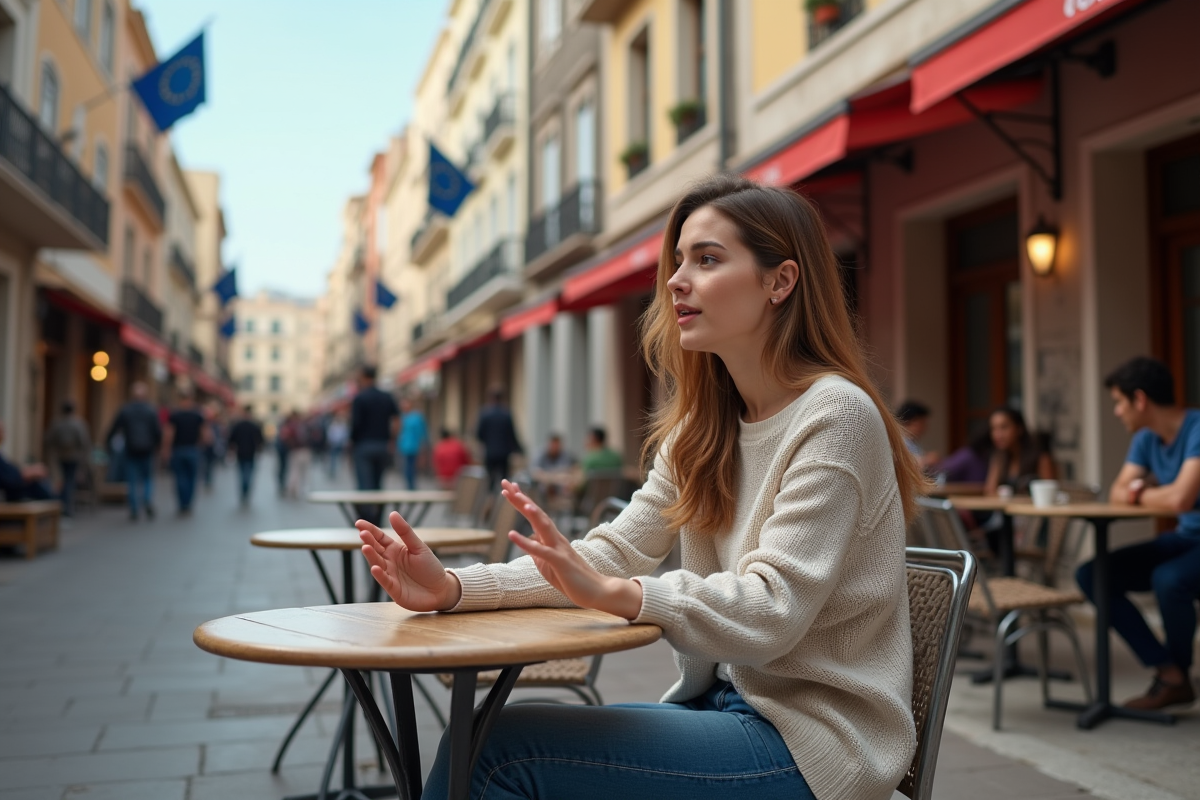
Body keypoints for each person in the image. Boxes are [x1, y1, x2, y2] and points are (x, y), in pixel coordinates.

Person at [356, 175, 925, 800]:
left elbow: (770, 611)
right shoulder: (702, 428)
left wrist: (622, 594)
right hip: (725, 712)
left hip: (818, 745)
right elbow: (609, 554)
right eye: (678, 261)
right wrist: (455, 587)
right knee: (485, 739)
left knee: (497, 753)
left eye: (707, 259)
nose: (677, 280)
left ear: (779, 281)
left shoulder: (835, 416)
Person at [1076, 356, 1200, 711]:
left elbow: (1180, 498)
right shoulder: (1147, 439)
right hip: (1186, 537)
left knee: (1169, 579)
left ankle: (1177, 680)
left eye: (1119, 401)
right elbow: (1117, 493)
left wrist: (1142, 490)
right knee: (1092, 574)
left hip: (1191, 540)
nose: (1117, 411)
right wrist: (1148, 491)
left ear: (1140, 399)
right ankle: (1171, 673)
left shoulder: (1196, 429)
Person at [350, 365, 399, 523]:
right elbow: (397, 421)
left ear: (364, 377)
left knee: (365, 488)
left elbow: (355, 425)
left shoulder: (360, 398)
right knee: (378, 486)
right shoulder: (387, 396)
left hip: (364, 446)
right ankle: (378, 521)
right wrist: (392, 440)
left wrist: (352, 441)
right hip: (382, 445)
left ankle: (366, 524)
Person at [106, 382, 162, 521]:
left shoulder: (126, 409)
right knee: (147, 478)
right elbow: (157, 431)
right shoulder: (150, 410)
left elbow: (114, 428)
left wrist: (107, 443)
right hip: (147, 449)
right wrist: (157, 446)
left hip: (131, 449)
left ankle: (134, 508)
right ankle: (146, 499)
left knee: (132, 479)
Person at [983, 407, 1056, 497]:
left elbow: (1050, 492)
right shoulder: (999, 457)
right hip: (1004, 510)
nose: (998, 435)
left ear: (1019, 428)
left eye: (1004, 427)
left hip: (1030, 510)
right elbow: (989, 492)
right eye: (993, 429)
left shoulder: (1039, 456)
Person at [43, 401, 92, 517]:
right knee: (70, 480)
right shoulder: (78, 424)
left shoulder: (57, 423)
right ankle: (68, 507)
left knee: (66, 479)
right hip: (74, 456)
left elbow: (48, 439)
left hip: (61, 456)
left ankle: (65, 505)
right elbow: (84, 442)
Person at [164, 390, 207, 516]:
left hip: (179, 450)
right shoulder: (197, 416)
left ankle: (182, 503)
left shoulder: (175, 415)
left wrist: (166, 450)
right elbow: (205, 435)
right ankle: (188, 503)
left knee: (180, 478)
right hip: (193, 450)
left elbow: (168, 434)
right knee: (192, 478)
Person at [475, 386, 522, 489]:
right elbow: (512, 434)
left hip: (490, 453)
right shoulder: (506, 414)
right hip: (504, 453)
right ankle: (503, 501)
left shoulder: (485, 414)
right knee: (504, 480)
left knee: (490, 482)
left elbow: (479, 434)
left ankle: (490, 501)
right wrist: (519, 449)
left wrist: (487, 443)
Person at [0, 421, 53, 501]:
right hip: (13, 492)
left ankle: (56, 499)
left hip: (16, 488)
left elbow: (10, 471)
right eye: (3, 431)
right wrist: (27, 473)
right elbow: (8, 479)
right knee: (37, 486)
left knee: (40, 484)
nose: (5, 434)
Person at [227, 405, 265, 505]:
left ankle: (244, 490)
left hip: (241, 453)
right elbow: (261, 441)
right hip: (250, 453)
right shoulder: (255, 425)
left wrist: (231, 450)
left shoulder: (238, 425)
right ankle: (246, 489)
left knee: (242, 473)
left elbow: (231, 440)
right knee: (248, 473)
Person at [896, 400, 939, 471]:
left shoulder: (912, 443)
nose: (925, 427)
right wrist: (926, 460)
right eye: (922, 423)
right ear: (910, 422)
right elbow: (904, 465)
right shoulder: (899, 442)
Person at [397, 397, 429, 491]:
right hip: (403, 446)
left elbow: (422, 432)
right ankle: (409, 485)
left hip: (414, 446)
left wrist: (423, 445)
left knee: (411, 467)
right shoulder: (401, 417)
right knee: (406, 467)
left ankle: (411, 485)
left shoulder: (416, 417)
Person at [283, 411, 313, 499]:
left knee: (295, 471)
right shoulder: (304, 425)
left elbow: (286, 438)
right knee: (304, 471)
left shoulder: (291, 426)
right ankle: (303, 489)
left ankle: (293, 489)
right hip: (305, 450)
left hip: (295, 451)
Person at [326, 412, 349, 479]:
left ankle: (338, 471)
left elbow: (345, 435)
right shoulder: (334, 426)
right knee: (334, 459)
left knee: (338, 459)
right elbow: (330, 435)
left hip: (339, 444)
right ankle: (333, 471)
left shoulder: (342, 426)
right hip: (335, 444)